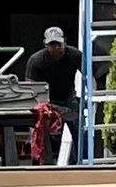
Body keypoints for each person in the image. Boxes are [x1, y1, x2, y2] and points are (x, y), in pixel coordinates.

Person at [22, 26, 82, 166]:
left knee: (80, 128)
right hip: (46, 103)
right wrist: (42, 108)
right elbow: (30, 88)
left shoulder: (75, 55)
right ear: (45, 45)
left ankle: (77, 162)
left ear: (64, 42)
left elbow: (92, 74)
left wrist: (91, 98)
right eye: (51, 45)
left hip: (68, 100)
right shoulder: (36, 60)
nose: (55, 48)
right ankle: (40, 164)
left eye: (57, 44)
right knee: (38, 131)